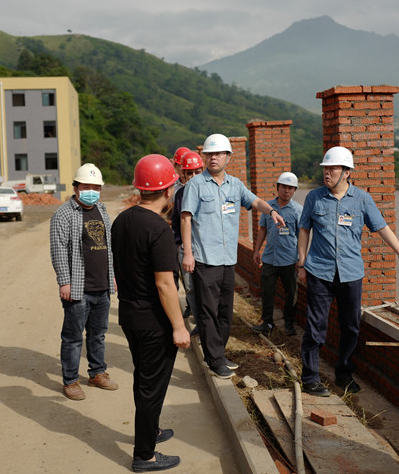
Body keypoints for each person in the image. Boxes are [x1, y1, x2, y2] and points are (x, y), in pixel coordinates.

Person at [297, 146, 399, 397]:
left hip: (351, 273)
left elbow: (382, 227)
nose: (327, 173)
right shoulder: (314, 198)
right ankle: (310, 378)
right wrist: (301, 263)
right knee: (315, 326)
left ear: (347, 172)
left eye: (332, 168)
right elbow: (304, 229)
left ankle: (343, 374)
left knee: (351, 326)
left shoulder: (362, 199)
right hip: (319, 272)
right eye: (325, 168)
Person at [181, 133, 285, 379]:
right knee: (207, 311)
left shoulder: (235, 185)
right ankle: (215, 360)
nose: (213, 158)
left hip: (228, 260)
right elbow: (186, 218)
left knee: (225, 312)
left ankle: (218, 353)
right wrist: (188, 253)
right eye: (209, 154)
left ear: (228, 157)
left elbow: (255, 201)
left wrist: (271, 211)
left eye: (218, 154)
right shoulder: (195, 185)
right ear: (205, 157)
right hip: (205, 260)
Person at [111, 154, 191, 473]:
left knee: (144, 379)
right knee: (151, 386)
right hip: (154, 322)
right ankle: (144, 455)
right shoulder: (158, 228)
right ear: (168, 190)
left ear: (139, 188)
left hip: (129, 315)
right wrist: (179, 327)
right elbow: (165, 284)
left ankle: (151, 430)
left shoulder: (121, 221)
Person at [49, 163, 118, 401]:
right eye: (86, 187)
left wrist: (112, 276)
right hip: (78, 288)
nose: (92, 191)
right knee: (73, 337)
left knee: (98, 334)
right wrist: (64, 282)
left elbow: (108, 247)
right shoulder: (63, 214)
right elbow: (58, 250)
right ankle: (70, 381)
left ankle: (97, 373)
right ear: (76, 187)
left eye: (96, 188)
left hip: (102, 286)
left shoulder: (102, 210)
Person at [252, 172, 303, 336]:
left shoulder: (297, 210)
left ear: (294, 190)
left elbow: (302, 236)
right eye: (284, 187)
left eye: (290, 188)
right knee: (267, 292)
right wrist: (257, 250)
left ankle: (289, 323)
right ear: (278, 187)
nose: (286, 191)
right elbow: (263, 229)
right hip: (269, 258)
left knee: (291, 293)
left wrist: (301, 259)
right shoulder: (268, 207)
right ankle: (267, 322)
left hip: (290, 260)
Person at [170, 151, 204, 332]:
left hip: (205, 248)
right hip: (185, 248)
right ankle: (199, 322)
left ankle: (208, 323)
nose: (193, 176)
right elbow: (176, 222)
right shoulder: (180, 194)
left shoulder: (210, 191)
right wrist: (179, 245)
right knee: (190, 287)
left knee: (206, 287)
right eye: (189, 173)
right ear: (182, 173)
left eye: (197, 172)